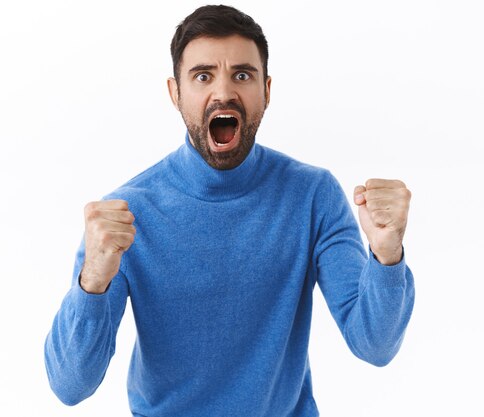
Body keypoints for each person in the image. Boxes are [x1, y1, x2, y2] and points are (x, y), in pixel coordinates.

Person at [44, 5, 415, 417]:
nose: (222, 92)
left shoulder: (313, 196)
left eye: (242, 75)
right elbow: (70, 385)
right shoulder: (126, 216)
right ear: (175, 92)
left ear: (267, 90)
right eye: (203, 76)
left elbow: (375, 344)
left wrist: (386, 255)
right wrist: (92, 281)